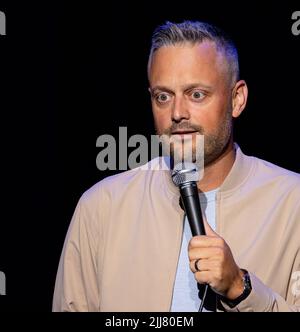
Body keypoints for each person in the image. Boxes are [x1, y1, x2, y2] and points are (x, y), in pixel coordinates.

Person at [52, 20, 300, 312]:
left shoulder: (292, 203)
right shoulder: (101, 207)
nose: (177, 113)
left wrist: (240, 288)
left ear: (237, 99)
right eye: (163, 96)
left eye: (196, 94)